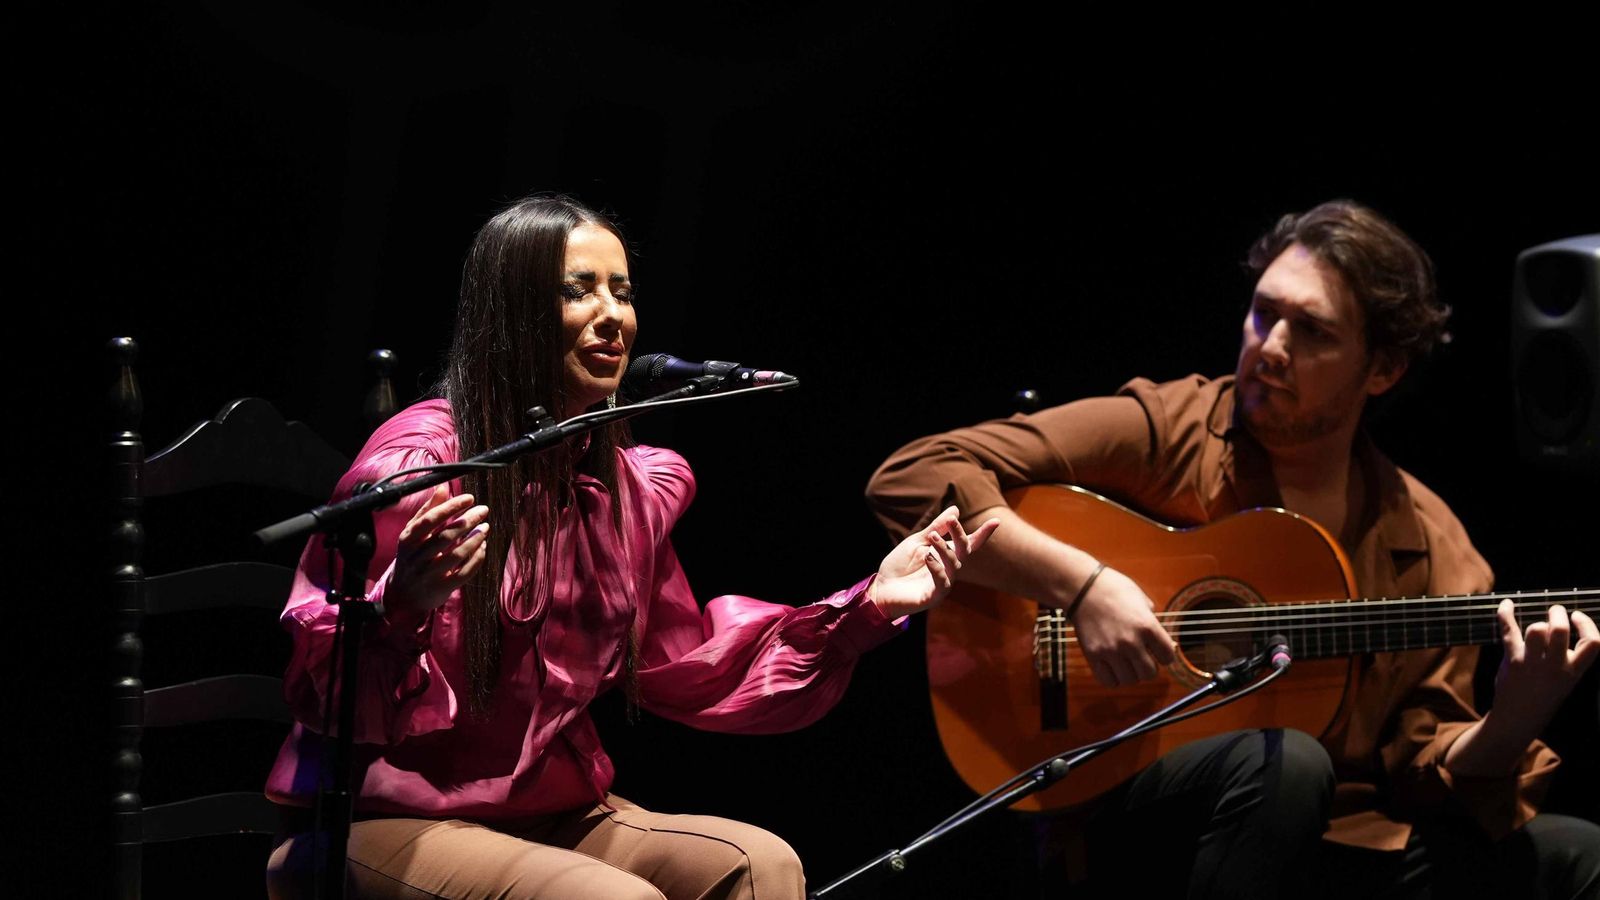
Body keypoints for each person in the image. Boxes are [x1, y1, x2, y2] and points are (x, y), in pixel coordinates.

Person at [264, 195, 998, 900]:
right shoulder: (423, 466)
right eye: (578, 291)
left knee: (761, 866)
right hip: (386, 817)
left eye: (622, 291)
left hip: (554, 816)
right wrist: (399, 605)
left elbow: (687, 665)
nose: (613, 317)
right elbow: (320, 685)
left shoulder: (618, 489)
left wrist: (867, 606)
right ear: (512, 315)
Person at [865, 200, 1599, 898]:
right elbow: (913, 474)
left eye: (1312, 332)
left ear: (1383, 370)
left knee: (1578, 855)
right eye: (1263, 314)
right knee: (1284, 763)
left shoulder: (1434, 543)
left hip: (1348, 847)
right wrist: (1081, 586)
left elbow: (1420, 772)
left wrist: (1513, 718)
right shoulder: (1175, 430)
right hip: (1144, 817)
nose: (1271, 348)